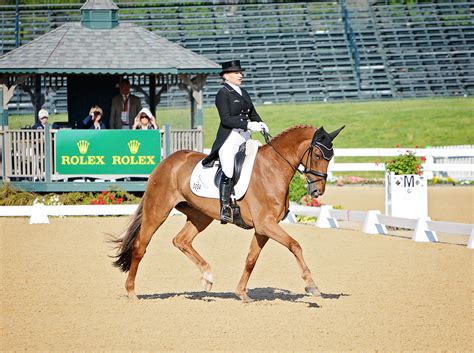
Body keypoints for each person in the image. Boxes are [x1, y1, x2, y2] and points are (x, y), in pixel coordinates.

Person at [201, 60, 269, 223]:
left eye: (240, 72)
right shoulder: (222, 94)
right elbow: (226, 119)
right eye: (237, 73)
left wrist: (260, 123)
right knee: (229, 169)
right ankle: (225, 206)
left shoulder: (243, 92)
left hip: (245, 137)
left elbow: (252, 112)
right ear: (226, 76)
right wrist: (248, 124)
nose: (241, 75)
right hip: (230, 138)